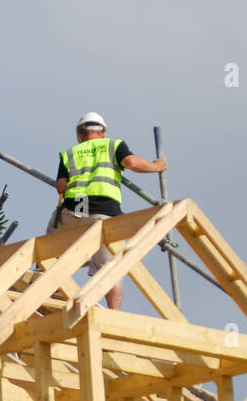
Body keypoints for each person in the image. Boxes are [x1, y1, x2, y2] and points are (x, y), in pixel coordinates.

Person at [51, 112, 167, 310]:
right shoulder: (113, 145)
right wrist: (157, 166)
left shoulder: (70, 153)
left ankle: (49, 296)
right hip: (102, 213)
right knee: (110, 270)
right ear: (102, 132)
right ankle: (113, 315)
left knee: (51, 257)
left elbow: (61, 185)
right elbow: (131, 163)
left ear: (80, 135)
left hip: (73, 210)